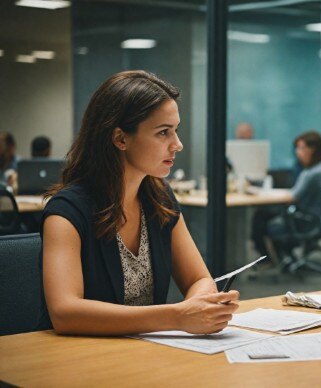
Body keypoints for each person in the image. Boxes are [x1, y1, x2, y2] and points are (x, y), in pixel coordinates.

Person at [41, 70, 239, 335]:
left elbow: (199, 278)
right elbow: (65, 313)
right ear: (120, 138)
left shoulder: (160, 199)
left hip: (147, 355)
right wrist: (177, 316)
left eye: (175, 131)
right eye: (163, 133)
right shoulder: (66, 212)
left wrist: (201, 305)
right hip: (82, 360)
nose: (177, 144)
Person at [250, 130, 321, 260]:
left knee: (261, 216)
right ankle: (283, 255)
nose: (297, 152)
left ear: (313, 149)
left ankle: (269, 259)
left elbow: (293, 197)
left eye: (301, 148)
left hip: (304, 219)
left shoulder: (310, 174)